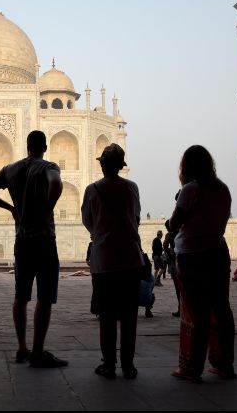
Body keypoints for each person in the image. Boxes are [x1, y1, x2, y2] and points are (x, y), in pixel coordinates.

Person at [0, 130, 66, 368]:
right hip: (44, 240)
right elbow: (56, 183)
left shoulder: (11, 169)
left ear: (27, 146)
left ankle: (22, 348)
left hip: (22, 240)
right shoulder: (48, 166)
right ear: (44, 147)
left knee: (21, 296)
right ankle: (37, 352)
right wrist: (48, 207)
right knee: (44, 297)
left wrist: (11, 208)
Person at [167, 145, 236, 382]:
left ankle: (192, 367)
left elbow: (174, 223)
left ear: (186, 167)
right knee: (221, 308)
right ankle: (225, 365)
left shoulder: (191, 189)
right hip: (218, 251)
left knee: (198, 312)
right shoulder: (223, 188)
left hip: (192, 255)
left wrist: (172, 221)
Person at [81, 143, 145, 380]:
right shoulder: (131, 187)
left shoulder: (92, 190)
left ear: (102, 165)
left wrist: (99, 233)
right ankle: (128, 365)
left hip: (104, 259)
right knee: (129, 315)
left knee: (106, 316)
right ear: (120, 166)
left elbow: (87, 220)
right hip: (130, 257)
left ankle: (109, 365)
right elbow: (136, 217)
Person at [164, 230, 181, 316]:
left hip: (175, 261)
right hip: (184, 258)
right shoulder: (181, 232)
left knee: (178, 288)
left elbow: (165, 245)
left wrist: (171, 255)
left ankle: (180, 308)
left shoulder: (170, 234)